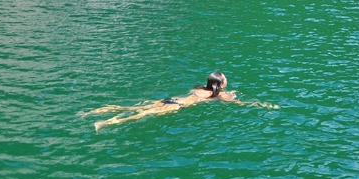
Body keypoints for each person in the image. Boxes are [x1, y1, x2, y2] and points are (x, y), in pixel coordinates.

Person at [84, 72, 277, 131]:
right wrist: (261, 104)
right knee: (140, 115)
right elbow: (240, 104)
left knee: (135, 107)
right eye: (225, 79)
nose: (227, 80)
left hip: (171, 99)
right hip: (178, 106)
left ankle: (95, 111)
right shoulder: (219, 96)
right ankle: (105, 122)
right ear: (221, 84)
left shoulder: (200, 89)